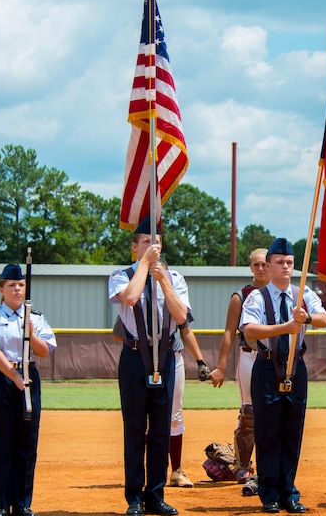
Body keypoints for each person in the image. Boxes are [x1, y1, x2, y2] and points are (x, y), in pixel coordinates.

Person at [108, 216, 192, 516]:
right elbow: (130, 298)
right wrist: (144, 265)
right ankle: (135, 497)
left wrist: (163, 281)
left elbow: (182, 317)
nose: (152, 247)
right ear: (134, 247)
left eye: (155, 243)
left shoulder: (176, 278)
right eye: (145, 242)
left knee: (160, 429)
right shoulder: (121, 275)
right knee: (134, 429)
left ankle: (156, 494)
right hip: (134, 357)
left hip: (165, 356)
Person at [239, 238, 326, 514]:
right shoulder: (257, 296)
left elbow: (324, 318)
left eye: (290, 263)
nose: (286, 267)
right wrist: (285, 327)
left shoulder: (304, 294)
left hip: (295, 367)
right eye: (280, 262)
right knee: (267, 432)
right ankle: (269, 493)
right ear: (268, 265)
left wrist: (307, 319)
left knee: (292, 431)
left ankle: (289, 491)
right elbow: (249, 330)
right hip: (266, 368)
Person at [0, 263, 57, 516]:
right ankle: (1, 504)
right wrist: (13, 376)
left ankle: (22, 503)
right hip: (1, 377)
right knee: (0, 442)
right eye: (11, 285)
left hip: (28, 375)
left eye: (21, 285)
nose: (17, 289)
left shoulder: (35, 317)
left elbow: (44, 351)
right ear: (1, 289)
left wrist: (31, 334)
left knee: (27, 440)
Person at [209, 248, 269, 495]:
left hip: (275, 358)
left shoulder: (282, 293)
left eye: (266, 264)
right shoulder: (241, 296)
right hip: (250, 356)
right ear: (250, 267)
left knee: (275, 410)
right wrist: (221, 366)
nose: (262, 268)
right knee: (250, 411)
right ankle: (243, 465)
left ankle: (270, 464)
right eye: (257, 264)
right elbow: (228, 332)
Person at [169, 312, 210, 488]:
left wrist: (200, 361)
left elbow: (185, 329)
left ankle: (176, 471)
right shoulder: (139, 298)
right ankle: (153, 469)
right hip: (143, 358)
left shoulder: (175, 298)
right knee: (148, 416)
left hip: (173, 356)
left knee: (175, 416)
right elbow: (120, 331)